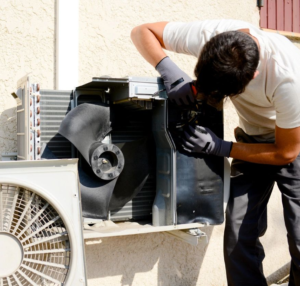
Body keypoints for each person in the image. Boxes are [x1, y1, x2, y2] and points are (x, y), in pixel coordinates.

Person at [131, 19, 300, 286]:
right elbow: (142, 32)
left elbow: (286, 152)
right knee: (238, 235)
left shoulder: (288, 77)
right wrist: (169, 69)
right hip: (253, 138)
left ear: (252, 76)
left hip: (294, 143)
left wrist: (223, 148)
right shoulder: (213, 36)